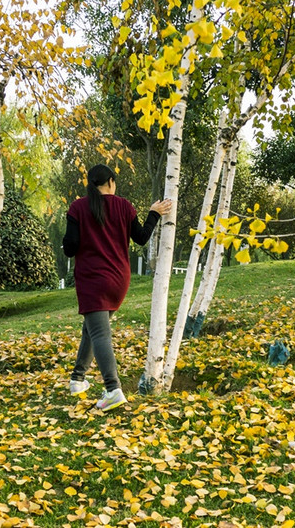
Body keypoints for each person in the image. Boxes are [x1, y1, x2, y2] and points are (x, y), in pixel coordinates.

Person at [62, 164, 172, 411]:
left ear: (91, 185)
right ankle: (77, 380)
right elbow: (142, 237)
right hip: (119, 279)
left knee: (99, 332)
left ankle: (113, 389)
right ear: (111, 181)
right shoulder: (125, 206)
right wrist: (153, 213)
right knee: (92, 328)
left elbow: (70, 247)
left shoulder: (78, 207)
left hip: (92, 279)